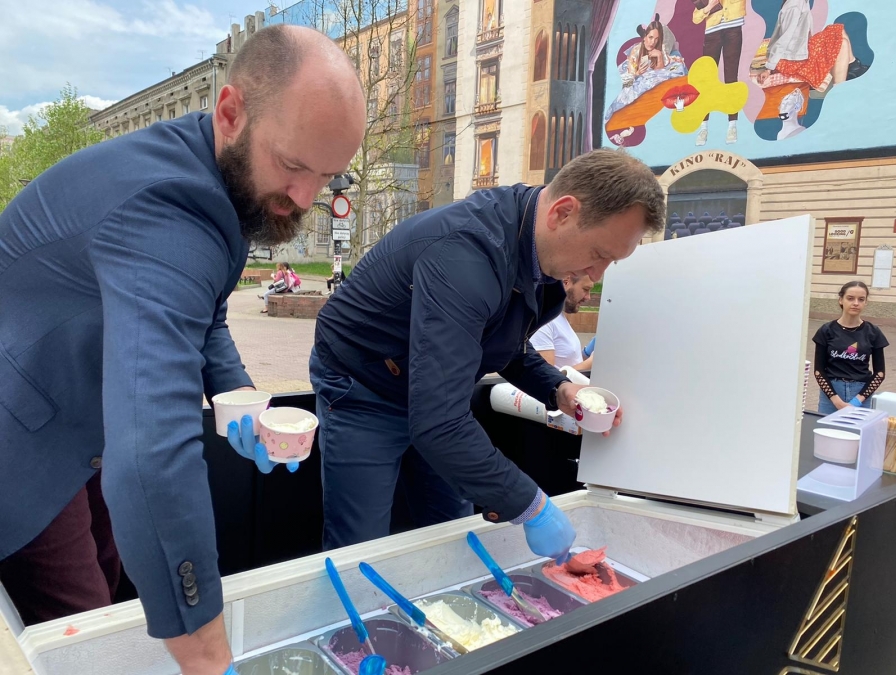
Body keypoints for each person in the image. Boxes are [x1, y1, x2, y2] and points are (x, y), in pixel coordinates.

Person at [0, 25, 365, 675]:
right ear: (230, 112)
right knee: (84, 625)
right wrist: (207, 654)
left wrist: (239, 399)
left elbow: (205, 315)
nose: (306, 199)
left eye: (326, 176)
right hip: (21, 432)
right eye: (292, 165)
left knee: (114, 574)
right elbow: (151, 459)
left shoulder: (216, 175)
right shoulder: (165, 211)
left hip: (80, 413)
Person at [311, 148, 665, 559]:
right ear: (563, 212)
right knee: (359, 548)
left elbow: (501, 342)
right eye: (600, 254)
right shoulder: (465, 255)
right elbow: (440, 423)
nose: (596, 275)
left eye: (611, 262)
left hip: (435, 393)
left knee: (454, 531)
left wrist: (558, 389)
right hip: (363, 387)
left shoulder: (543, 257)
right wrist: (532, 506)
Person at [813, 281, 889, 414]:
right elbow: (819, 371)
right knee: (827, 427)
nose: (856, 303)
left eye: (861, 299)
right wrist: (835, 400)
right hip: (831, 394)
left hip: (861, 393)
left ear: (866, 302)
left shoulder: (873, 332)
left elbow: (879, 373)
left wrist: (857, 401)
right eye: (850, 298)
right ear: (841, 300)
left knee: (858, 428)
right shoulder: (826, 330)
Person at [764, 0, 867, 91]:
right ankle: (839, 90)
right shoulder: (795, 5)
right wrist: (769, 67)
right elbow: (783, 39)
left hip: (800, 51)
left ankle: (853, 66)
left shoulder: (802, 1)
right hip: (791, 62)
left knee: (837, 30)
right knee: (842, 43)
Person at [604, 16, 687, 123]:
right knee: (630, 91)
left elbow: (661, 71)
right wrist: (637, 73)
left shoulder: (659, 48)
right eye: (650, 37)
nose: (653, 42)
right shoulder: (636, 51)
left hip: (654, 73)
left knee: (677, 68)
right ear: (644, 37)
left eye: (656, 39)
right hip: (635, 74)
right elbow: (628, 79)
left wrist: (659, 56)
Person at [692, 0, 746, 145]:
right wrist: (709, 6)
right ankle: (703, 127)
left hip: (733, 27)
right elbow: (696, 18)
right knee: (706, 80)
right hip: (712, 32)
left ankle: (732, 125)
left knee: (731, 77)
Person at [529, 273, 596, 371]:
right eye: (585, 289)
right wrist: (591, 363)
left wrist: (587, 354)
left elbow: (569, 360)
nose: (588, 297)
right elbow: (545, 375)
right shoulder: (544, 321)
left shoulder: (556, 315)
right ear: (566, 281)